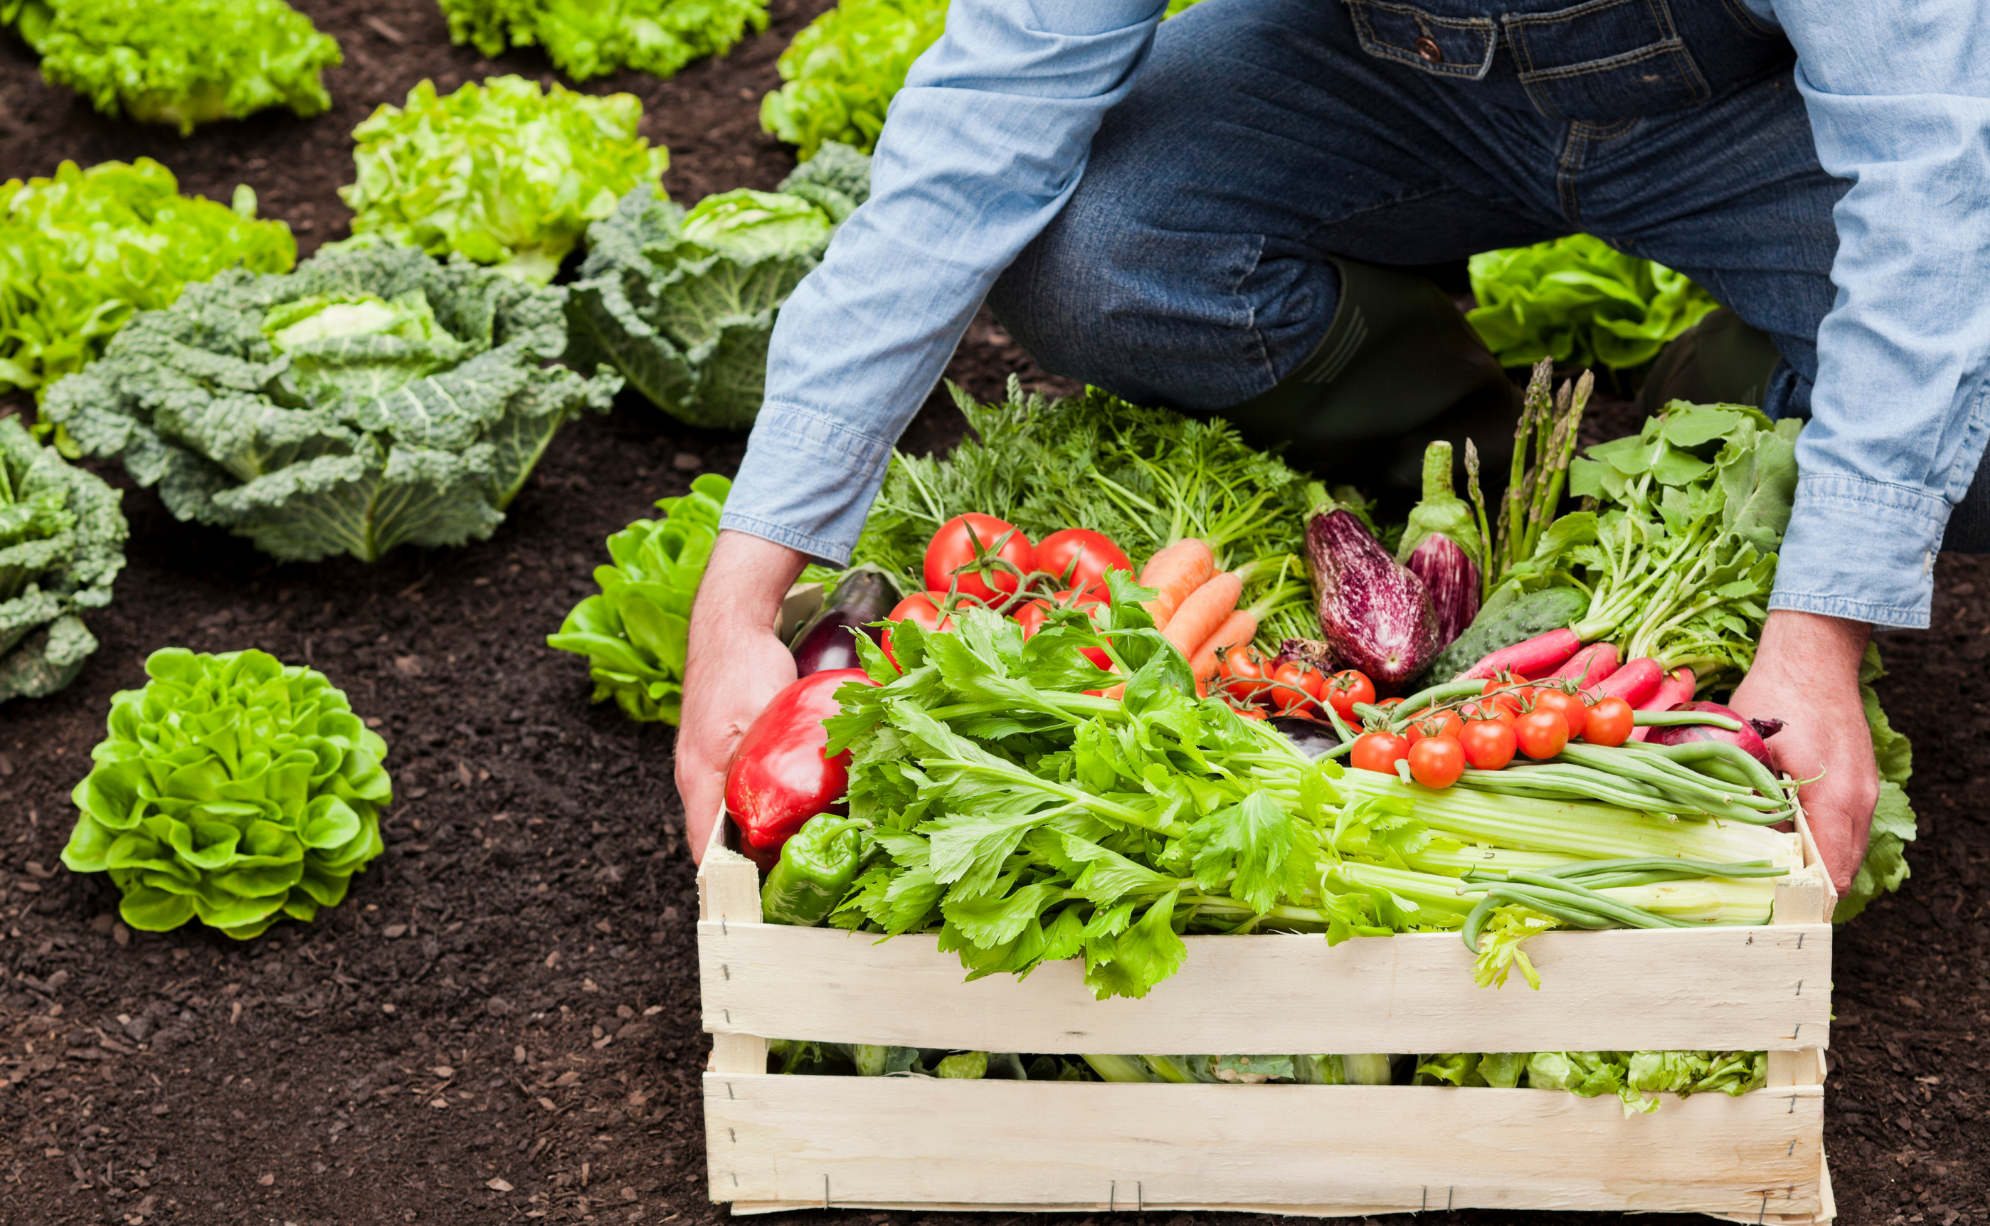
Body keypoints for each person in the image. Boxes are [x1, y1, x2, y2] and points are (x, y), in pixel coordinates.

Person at [676, 0, 1990, 895]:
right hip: (1387, 84)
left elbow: (1933, 188)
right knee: (1098, 255)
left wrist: (1817, 631)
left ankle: (1733, 406)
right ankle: (1454, 446)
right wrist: (746, 584)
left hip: (1754, 113)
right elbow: (980, 125)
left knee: (1968, 430)